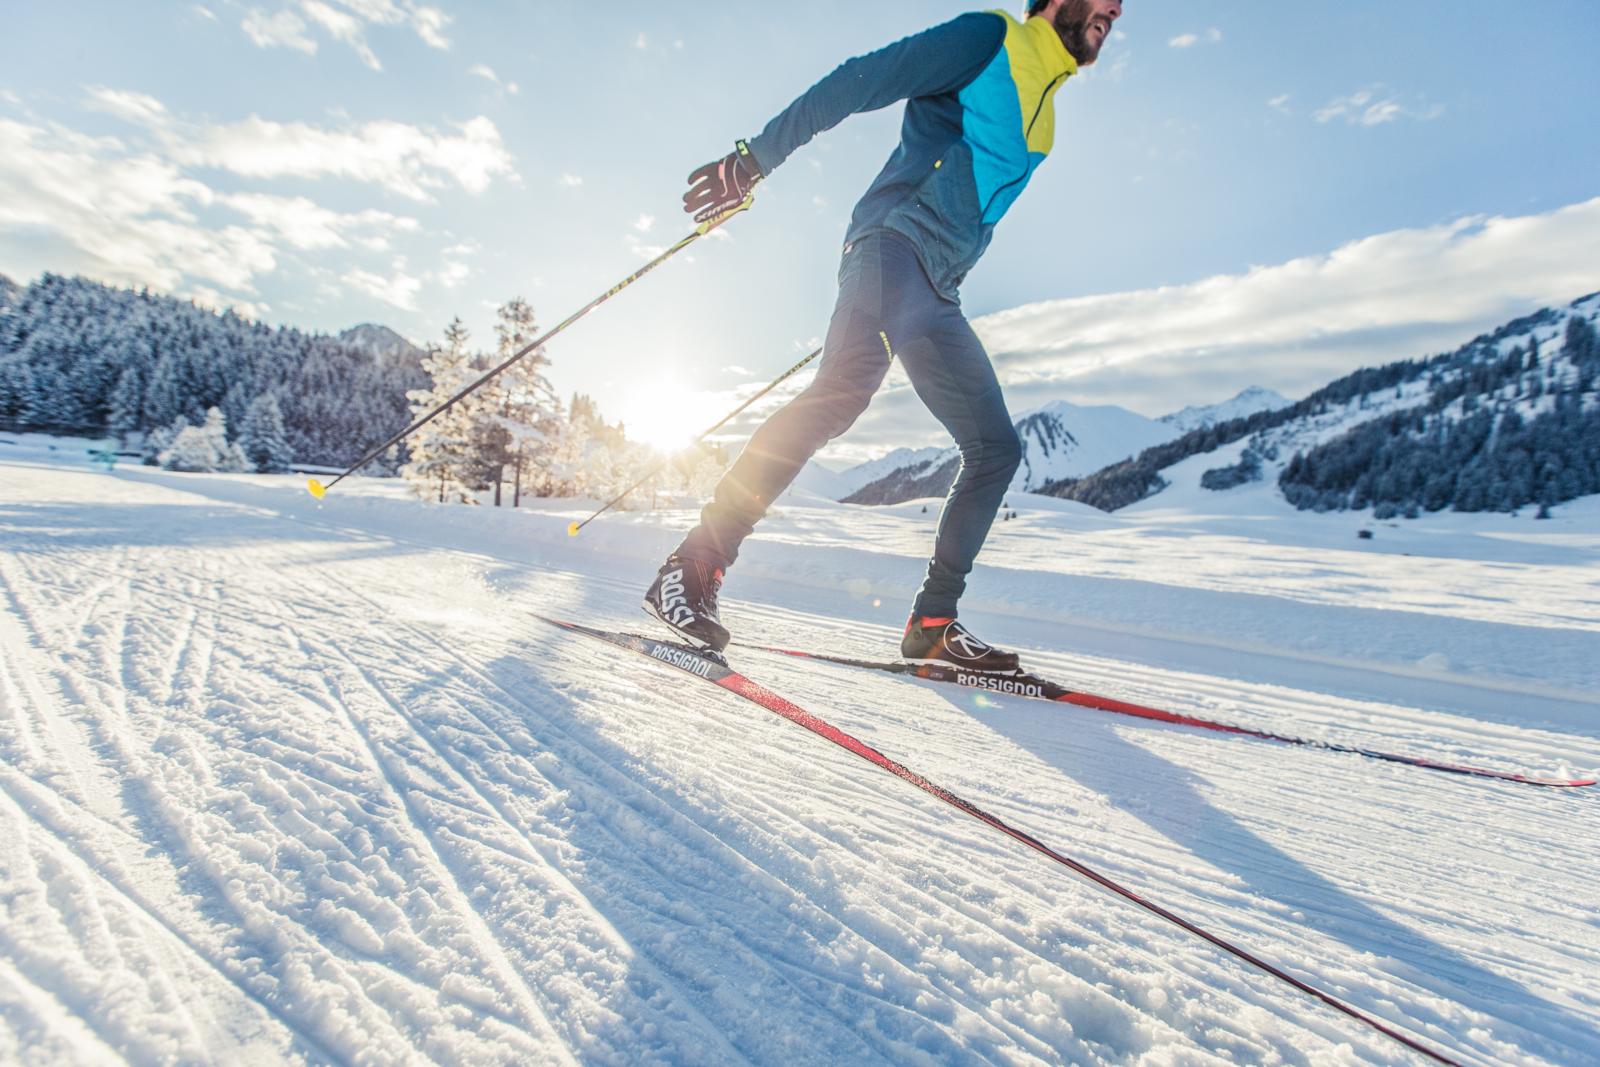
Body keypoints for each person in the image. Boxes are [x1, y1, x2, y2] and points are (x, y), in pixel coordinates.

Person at [645, 0, 1123, 672]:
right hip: (894, 245)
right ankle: (691, 566)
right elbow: (863, 77)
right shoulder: (990, 38)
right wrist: (755, 160)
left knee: (995, 449)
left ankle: (932, 621)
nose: (1115, 8)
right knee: (838, 397)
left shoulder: (1046, 116)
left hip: (935, 289)